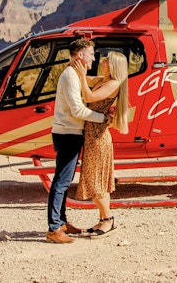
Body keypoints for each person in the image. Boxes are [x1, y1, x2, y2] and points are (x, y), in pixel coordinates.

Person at [45, 39, 109, 244]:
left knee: (63, 180)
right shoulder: (70, 76)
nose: (93, 57)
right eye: (90, 54)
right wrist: (104, 118)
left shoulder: (73, 74)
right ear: (80, 55)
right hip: (68, 134)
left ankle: (62, 222)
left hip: (70, 132)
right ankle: (54, 228)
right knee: (61, 182)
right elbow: (77, 110)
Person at [73, 51, 130, 238]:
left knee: (95, 180)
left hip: (98, 137)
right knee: (98, 180)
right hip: (93, 135)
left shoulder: (113, 83)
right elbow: (88, 80)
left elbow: (89, 97)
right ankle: (103, 219)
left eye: (107, 60)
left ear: (113, 65)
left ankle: (108, 220)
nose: (102, 62)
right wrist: (76, 67)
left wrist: (81, 76)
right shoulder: (104, 79)